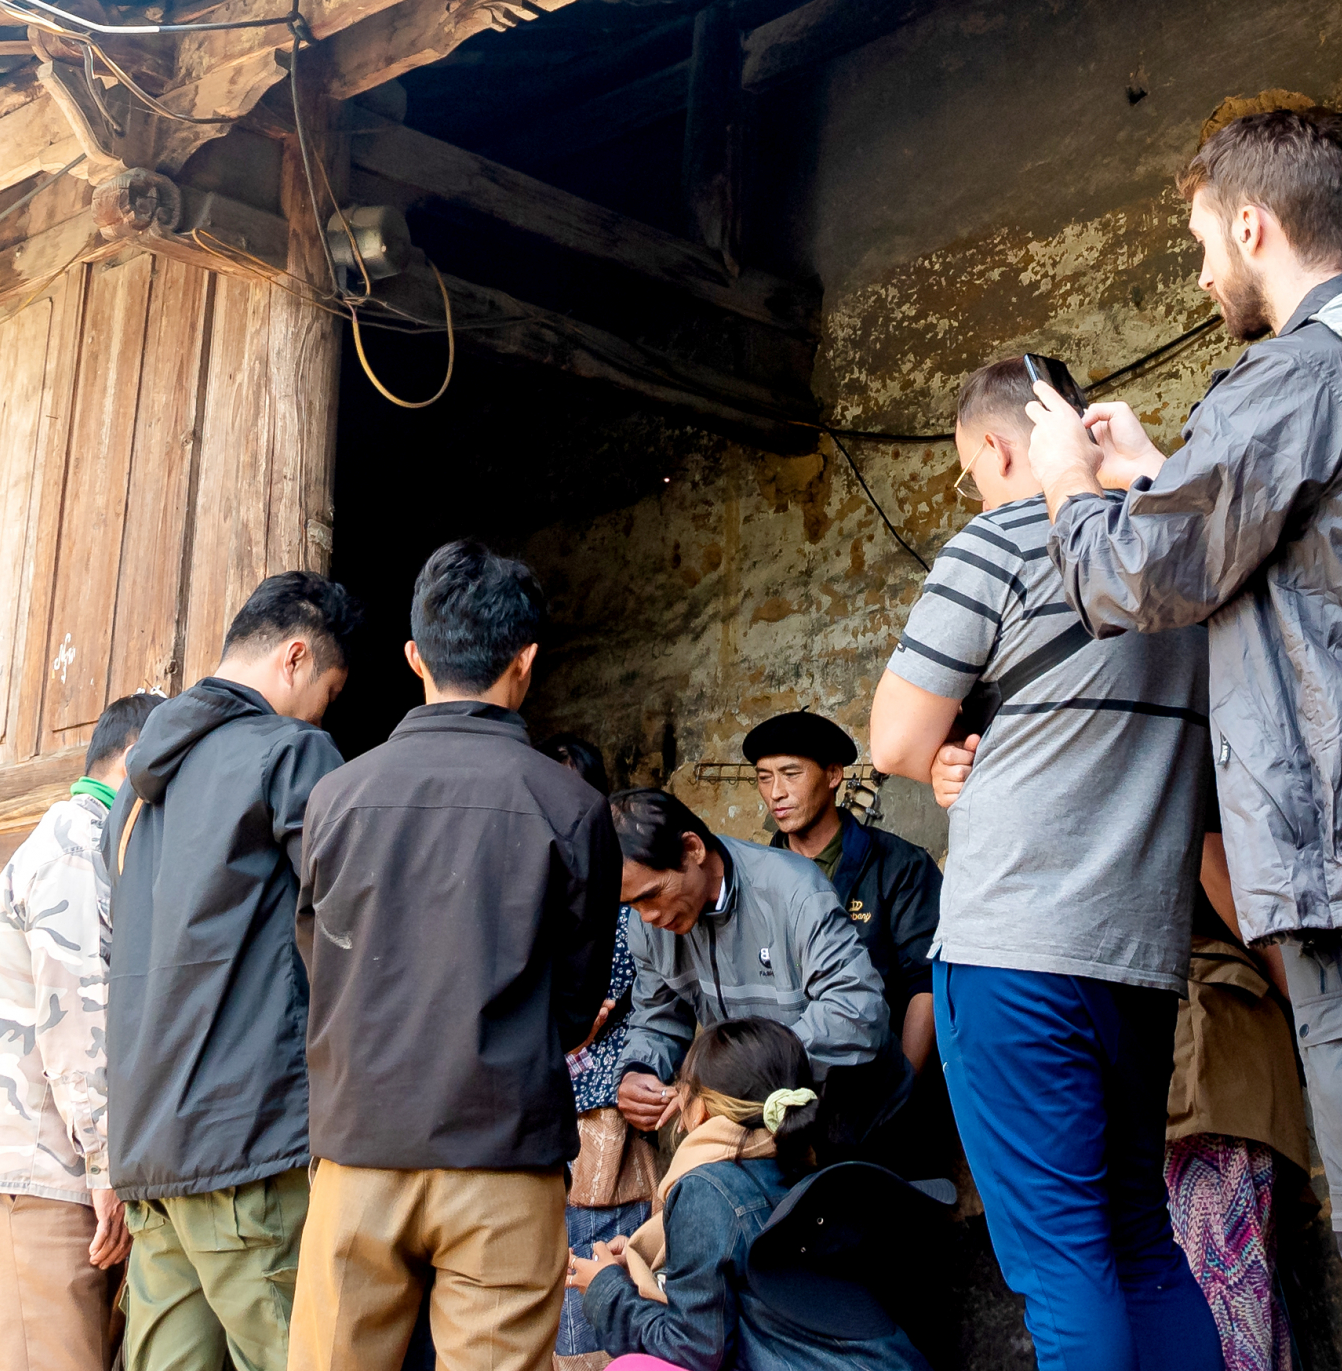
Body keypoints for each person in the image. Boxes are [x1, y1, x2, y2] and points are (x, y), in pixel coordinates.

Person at [1016, 109, 1342, 1371]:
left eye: (1204, 240)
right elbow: (1299, 565)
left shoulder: (1304, 375)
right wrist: (1162, 464)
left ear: (1254, 226)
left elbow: (1145, 579)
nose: (1203, 273)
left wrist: (1062, 482)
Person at [869, 356, 1223, 1371]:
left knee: (1062, 1264)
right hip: (1141, 958)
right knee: (1142, 1245)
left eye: (971, 470)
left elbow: (894, 740)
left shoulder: (1002, 539)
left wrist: (945, 741)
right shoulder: (1176, 557)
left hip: (1015, 953)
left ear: (995, 444)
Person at [289, 542, 620, 1371]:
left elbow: (314, 965)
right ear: (527, 661)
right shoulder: (573, 808)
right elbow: (578, 1002)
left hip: (357, 1146)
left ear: (413, 658)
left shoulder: (334, 797)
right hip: (503, 1152)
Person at [102, 571, 359, 1371]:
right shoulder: (291, 752)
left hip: (150, 1154)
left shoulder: (133, 794)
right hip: (245, 1147)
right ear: (295, 657)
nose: (325, 710)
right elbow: (347, 923)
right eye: (331, 688)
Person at [0, 692, 158, 1371]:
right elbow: (77, 1014)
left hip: (47, 1173)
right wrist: (108, 1169)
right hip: (33, 1176)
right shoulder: (77, 842)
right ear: (138, 757)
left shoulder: (90, 843)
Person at [572, 1018, 932, 1371]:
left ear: (698, 1111)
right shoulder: (807, 1163)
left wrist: (606, 1291)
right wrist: (637, 1264)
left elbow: (693, 1351)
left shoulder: (706, 1189)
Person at [609, 788, 906, 1156]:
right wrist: (638, 1069)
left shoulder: (793, 890)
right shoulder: (649, 926)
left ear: (693, 849)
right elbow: (657, 1017)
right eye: (631, 904)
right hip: (763, 1124)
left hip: (858, 1118)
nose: (647, 916)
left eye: (652, 894)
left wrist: (736, 1076)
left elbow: (856, 1011)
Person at [1163, 806, 1309, 1371]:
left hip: (1207, 1040)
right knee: (1235, 1301)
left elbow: (1212, 858)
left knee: (1227, 1301)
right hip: (1194, 1036)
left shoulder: (1188, 757)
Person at [539, 733, 661, 1371]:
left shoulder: (619, 898)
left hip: (604, 1114)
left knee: (599, 1272)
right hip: (540, 1107)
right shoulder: (536, 885)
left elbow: (588, 1015)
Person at [745, 710, 940, 1077]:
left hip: (874, 1074)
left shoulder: (898, 864)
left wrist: (904, 1086)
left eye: (791, 774)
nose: (776, 793)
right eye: (763, 778)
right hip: (784, 1077)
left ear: (833, 775)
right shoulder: (754, 877)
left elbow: (925, 983)